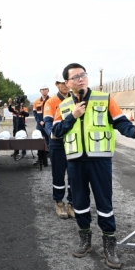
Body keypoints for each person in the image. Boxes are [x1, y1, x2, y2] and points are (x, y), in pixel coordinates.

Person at [52, 63, 135, 269]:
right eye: (75, 77)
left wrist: (134, 132)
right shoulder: (63, 107)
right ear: (67, 83)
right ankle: (85, 239)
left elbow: (121, 122)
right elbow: (56, 130)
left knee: (104, 203)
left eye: (83, 75)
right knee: (79, 202)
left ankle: (109, 244)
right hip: (76, 161)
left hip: (100, 160)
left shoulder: (104, 99)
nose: (80, 79)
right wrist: (73, 116)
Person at [43, 74, 76, 220]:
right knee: (58, 174)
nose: (64, 85)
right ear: (56, 84)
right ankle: (59, 201)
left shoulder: (75, 99)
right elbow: (48, 122)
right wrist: (53, 133)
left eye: (66, 82)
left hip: (73, 142)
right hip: (57, 143)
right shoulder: (51, 102)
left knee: (74, 174)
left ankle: (72, 203)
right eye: (61, 83)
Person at [32, 85, 50, 167]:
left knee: (48, 141)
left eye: (45, 89)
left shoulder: (51, 100)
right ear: (40, 91)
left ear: (48, 90)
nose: (44, 91)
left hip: (48, 124)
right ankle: (40, 159)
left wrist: (47, 122)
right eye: (42, 89)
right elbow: (35, 114)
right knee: (39, 142)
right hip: (39, 125)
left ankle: (46, 158)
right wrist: (39, 121)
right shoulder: (36, 102)